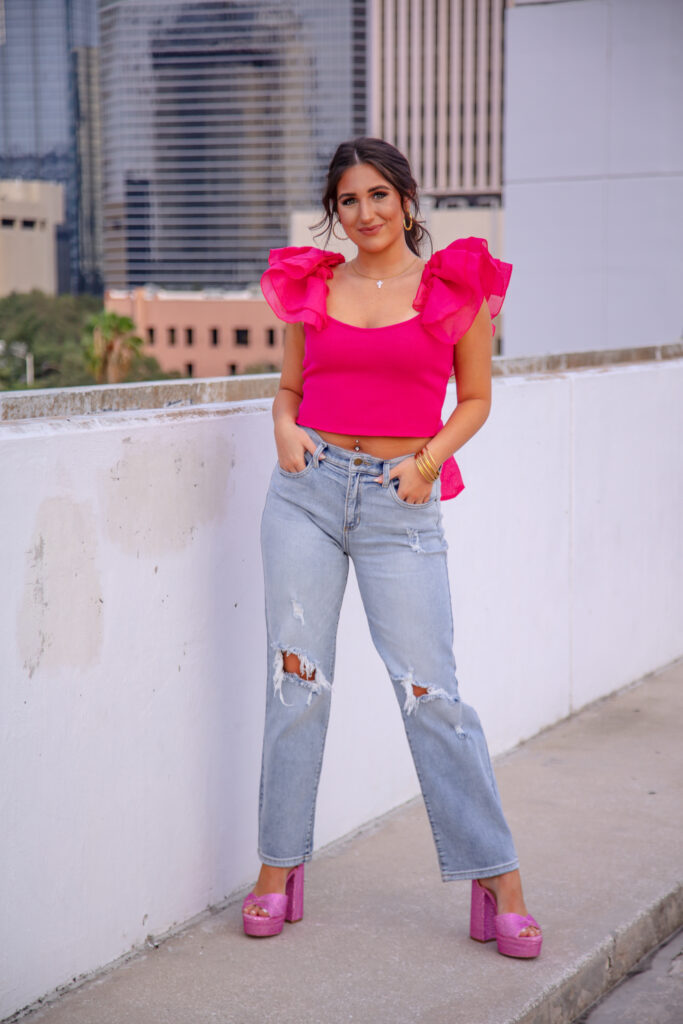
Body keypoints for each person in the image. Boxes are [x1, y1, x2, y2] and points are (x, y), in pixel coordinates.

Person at [241, 137, 542, 958]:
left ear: (407, 200)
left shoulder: (455, 286)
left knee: (431, 695)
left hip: (398, 499)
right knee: (294, 684)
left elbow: (475, 397)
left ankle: (497, 878)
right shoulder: (314, 285)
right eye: (348, 200)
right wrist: (281, 429)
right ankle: (277, 868)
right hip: (304, 492)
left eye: (378, 195)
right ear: (333, 211)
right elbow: (290, 389)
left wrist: (425, 463)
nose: (364, 213)